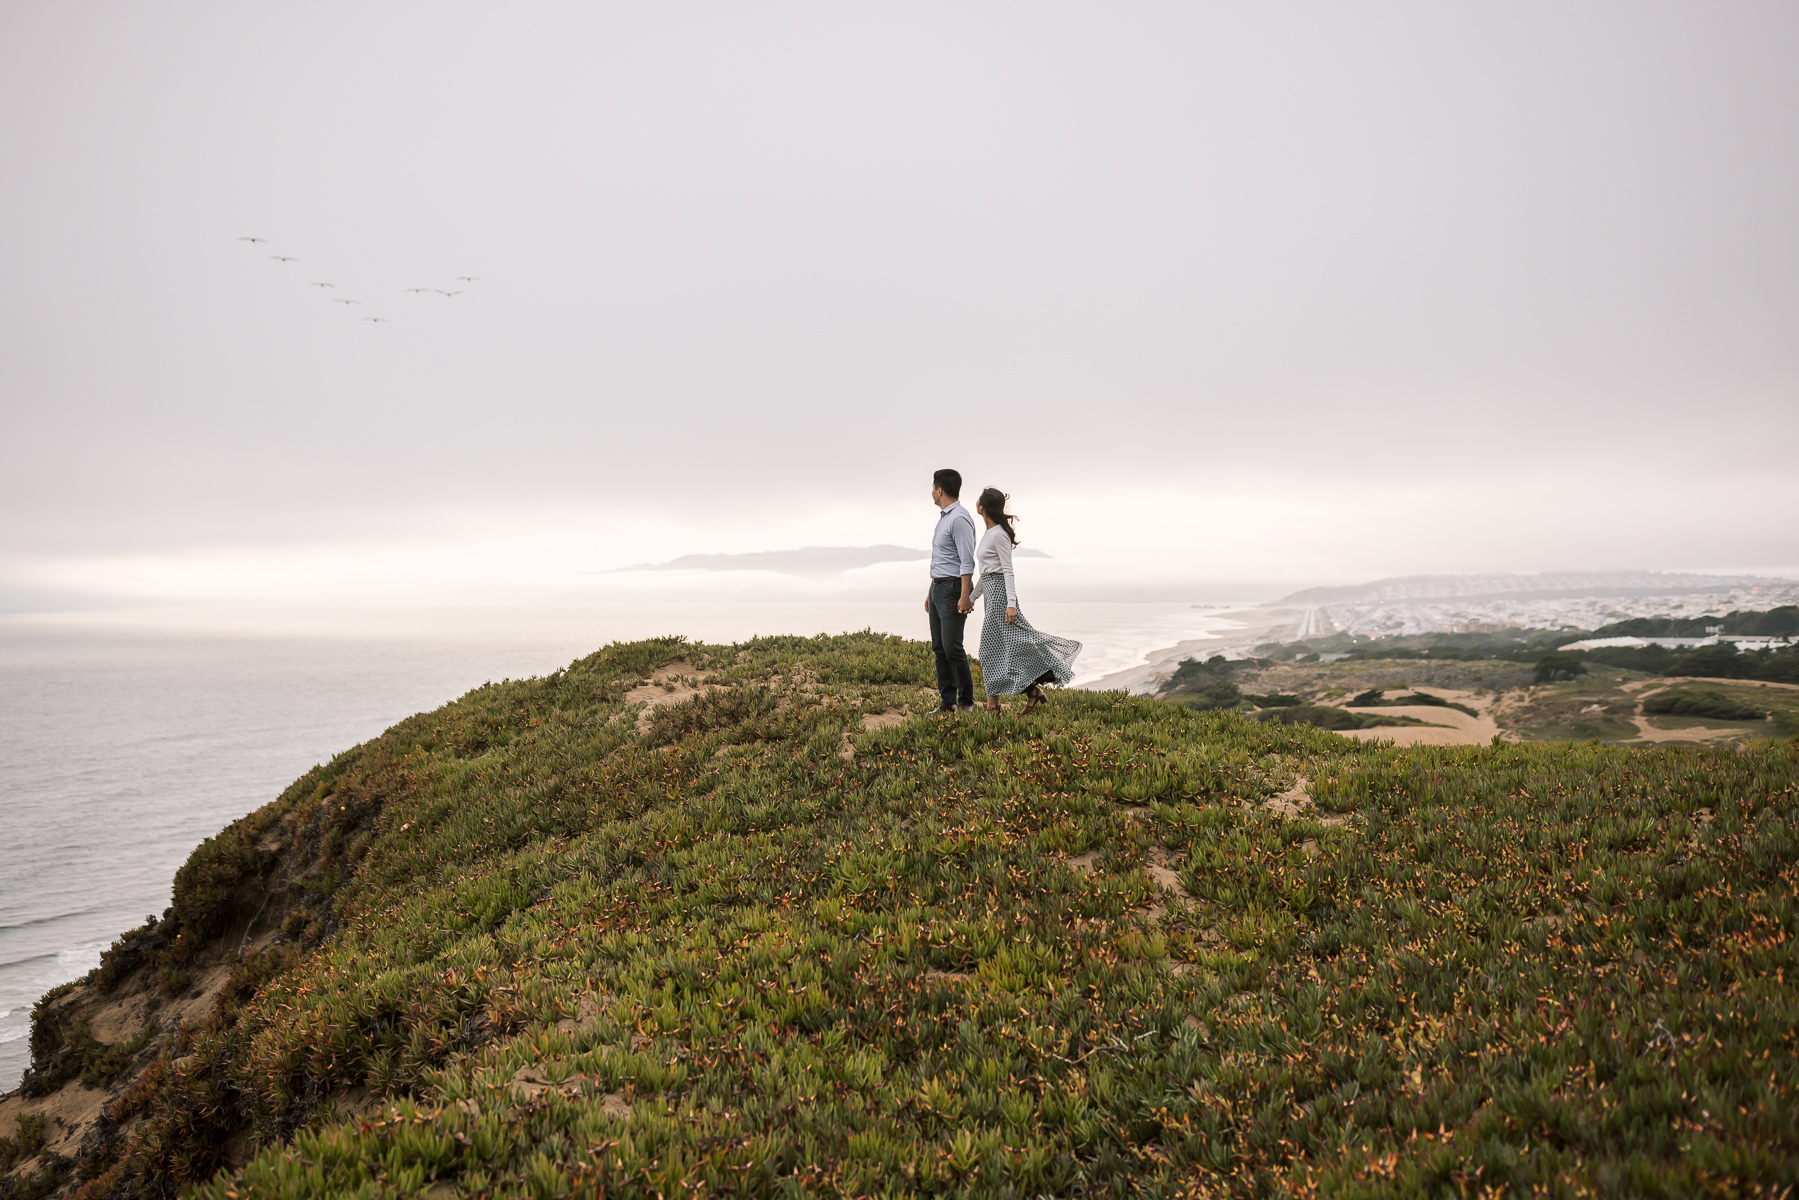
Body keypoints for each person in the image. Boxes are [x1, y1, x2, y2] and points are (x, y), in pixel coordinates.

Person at [970, 487, 1082, 715]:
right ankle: (1033, 692)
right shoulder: (988, 533)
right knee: (1006, 649)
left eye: (978, 498)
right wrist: (972, 598)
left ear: (982, 506)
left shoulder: (999, 534)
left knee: (989, 651)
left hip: (1001, 597)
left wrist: (1011, 604)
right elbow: (987, 573)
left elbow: (1007, 572)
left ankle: (993, 707)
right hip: (991, 596)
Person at [925, 468, 978, 713]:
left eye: (932, 488)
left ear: (940, 490)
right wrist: (931, 591)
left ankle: (966, 702)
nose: (931, 492)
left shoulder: (959, 518)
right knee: (939, 647)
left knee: (952, 647)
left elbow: (966, 561)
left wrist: (964, 595)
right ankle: (948, 702)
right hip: (938, 588)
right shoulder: (944, 517)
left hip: (953, 588)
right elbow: (943, 559)